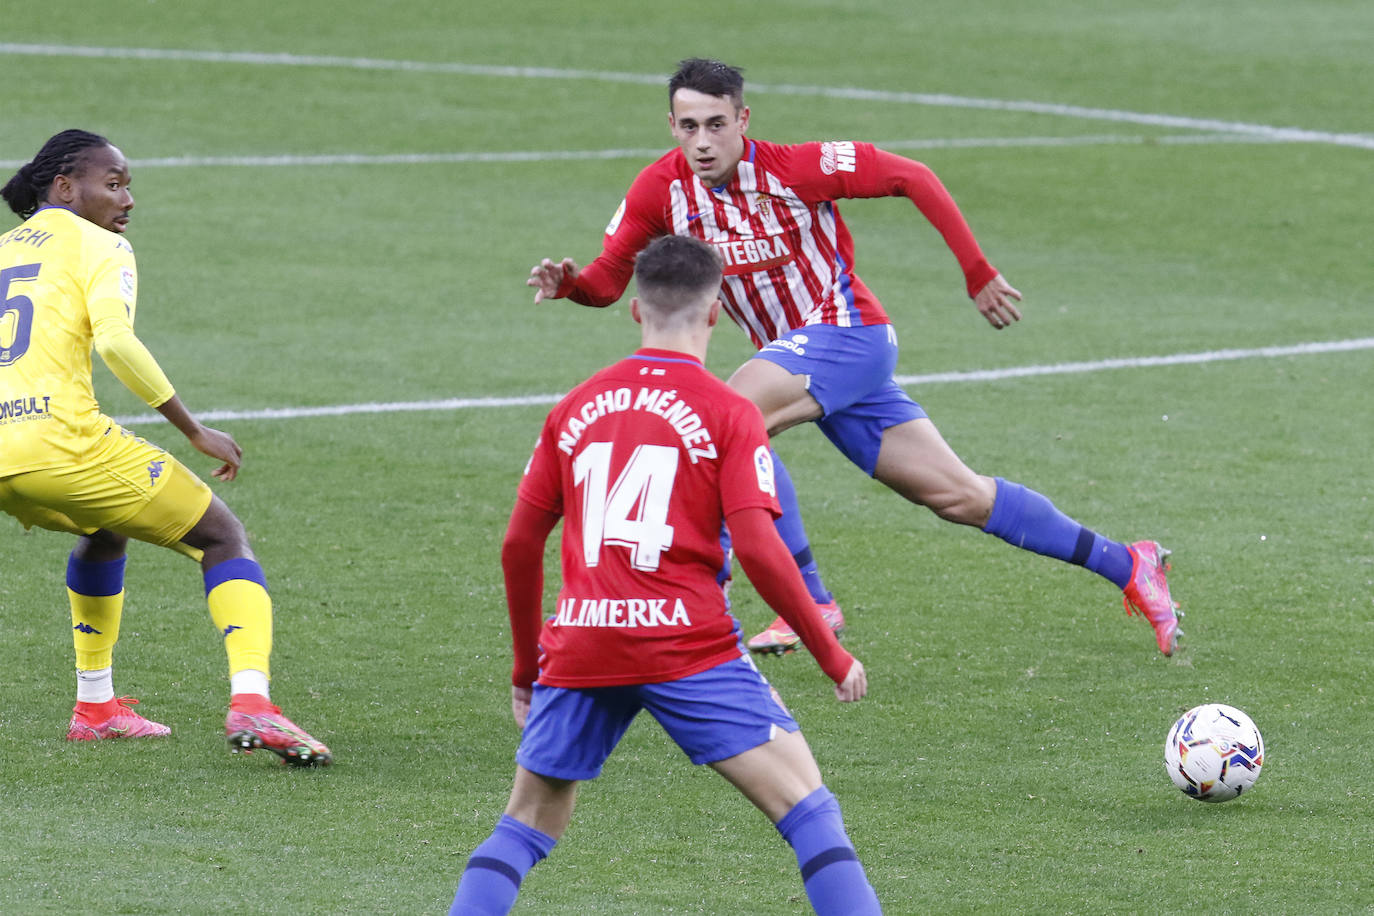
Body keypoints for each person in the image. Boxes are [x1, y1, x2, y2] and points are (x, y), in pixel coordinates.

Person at [528, 58, 1181, 657]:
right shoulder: (659, 191)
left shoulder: (794, 169)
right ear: (671, 124)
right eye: (689, 125)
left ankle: (806, 599)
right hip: (803, 367)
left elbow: (910, 175)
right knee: (959, 497)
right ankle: (1129, 564)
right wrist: (573, 287)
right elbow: (611, 279)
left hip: (850, 336)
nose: (703, 141)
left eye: (717, 124)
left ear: (743, 121)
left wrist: (976, 270)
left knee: (728, 416)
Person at [451, 235, 881, 915]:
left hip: (583, 643)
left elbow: (518, 545)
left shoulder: (574, 407)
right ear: (716, 315)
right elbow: (764, 551)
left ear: (633, 310)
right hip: (689, 647)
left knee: (526, 823)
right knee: (809, 811)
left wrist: (526, 671)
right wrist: (830, 653)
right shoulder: (730, 411)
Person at [0, 129, 331, 765]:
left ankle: (96, 708)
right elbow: (117, 344)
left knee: (105, 529)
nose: (127, 200)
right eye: (114, 183)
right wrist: (192, 428)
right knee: (221, 537)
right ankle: (254, 703)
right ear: (65, 188)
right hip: (63, 446)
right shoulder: (101, 245)